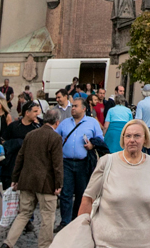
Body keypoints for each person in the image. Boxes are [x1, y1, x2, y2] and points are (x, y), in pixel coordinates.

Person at [78, 120, 150, 248]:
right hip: (105, 243)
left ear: (145, 139)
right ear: (123, 139)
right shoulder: (107, 162)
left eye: (137, 136)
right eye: (128, 136)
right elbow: (88, 199)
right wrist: (80, 235)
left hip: (141, 243)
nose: (132, 140)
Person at [5, 108, 64, 248]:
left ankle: (8, 243)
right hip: (46, 183)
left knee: (23, 214)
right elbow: (57, 164)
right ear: (57, 122)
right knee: (47, 217)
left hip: (27, 180)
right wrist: (59, 184)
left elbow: (20, 157)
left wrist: (15, 177)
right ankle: (44, 246)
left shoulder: (31, 134)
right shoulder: (55, 137)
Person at [55, 97, 103, 229]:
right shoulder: (65, 123)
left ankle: (76, 219)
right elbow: (55, 137)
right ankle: (65, 221)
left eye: (76, 106)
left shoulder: (92, 122)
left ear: (84, 108)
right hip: (66, 162)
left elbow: (100, 139)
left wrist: (92, 145)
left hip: (83, 163)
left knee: (82, 192)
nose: (73, 108)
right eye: (72, 106)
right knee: (66, 193)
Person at [0, 100, 42, 191]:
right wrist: (16, 143)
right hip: (12, 165)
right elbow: (3, 141)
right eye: (35, 111)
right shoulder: (14, 126)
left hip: (30, 166)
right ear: (27, 112)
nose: (37, 114)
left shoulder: (37, 127)